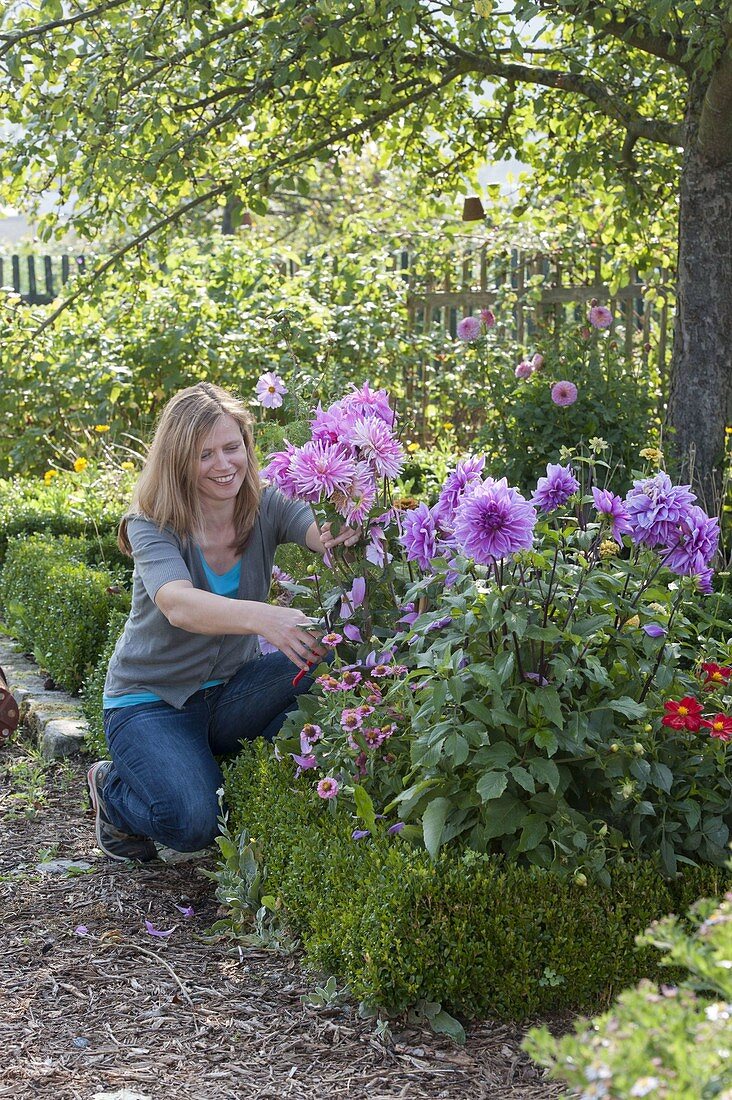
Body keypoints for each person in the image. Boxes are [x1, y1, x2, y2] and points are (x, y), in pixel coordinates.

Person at [87, 381, 358, 862]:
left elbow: (321, 532)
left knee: (326, 652)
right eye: (204, 454)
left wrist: (344, 516)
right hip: (150, 702)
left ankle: (211, 766)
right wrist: (263, 618)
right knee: (195, 823)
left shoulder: (266, 503)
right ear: (178, 460)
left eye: (232, 448)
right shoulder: (151, 521)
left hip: (230, 694)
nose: (223, 465)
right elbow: (178, 604)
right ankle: (112, 790)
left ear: (247, 447)